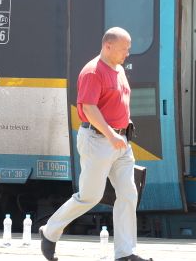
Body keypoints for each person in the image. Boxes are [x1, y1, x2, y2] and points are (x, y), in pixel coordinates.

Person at [39, 27, 151, 261]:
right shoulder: (92, 72)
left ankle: (125, 253)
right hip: (98, 141)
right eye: (123, 49)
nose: (127, 54)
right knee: (90, 196)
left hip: (120, 143)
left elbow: (116, 101)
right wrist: (111, 134)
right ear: (107, 46)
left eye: (128, 49)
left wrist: (124, 127)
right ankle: (50, 232)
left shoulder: (118, 69)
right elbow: (89, 109)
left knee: (128, 194)